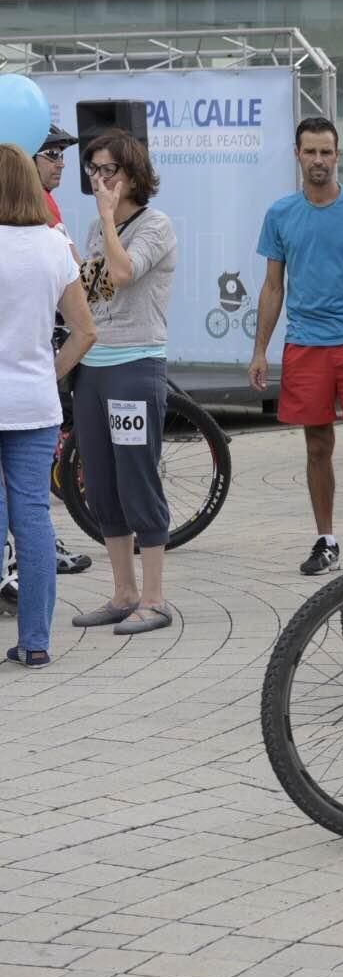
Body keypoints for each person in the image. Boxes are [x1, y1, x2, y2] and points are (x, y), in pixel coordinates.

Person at [249, 117, 343, 575]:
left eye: (326, 152)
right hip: (305, 342)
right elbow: (273, 287)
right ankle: (326, 540)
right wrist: (260, 349)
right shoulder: (280, 214)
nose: (318, 160)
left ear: (338, 156)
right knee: (317, 445)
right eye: (310, 151)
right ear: (297, 155)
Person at [68, 129, 179, 636]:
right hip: (94, 365)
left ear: (131, 173)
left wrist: (110, 220)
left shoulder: (156, 226)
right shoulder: (96, 226)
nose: (99, 179)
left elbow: (123, 271)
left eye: (108, 169)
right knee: (102, 482)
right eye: (93, 170)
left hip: (135, 367)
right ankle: (123, 591)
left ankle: (154, 598)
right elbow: (96, 289)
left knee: (138, 475)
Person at [0, 143, 97, 667]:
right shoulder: (55, 244)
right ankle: (35, 644)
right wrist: (49, 372)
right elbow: (84, 331)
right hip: (35, 404)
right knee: (33, 518)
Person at [31, 124, 94, 575]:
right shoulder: (37, 204)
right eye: (51, 153)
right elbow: (79, 272)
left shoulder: (44, 201)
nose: (61, 162)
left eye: (63, 154)